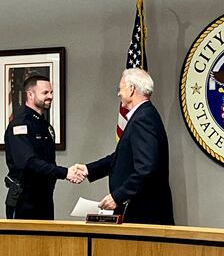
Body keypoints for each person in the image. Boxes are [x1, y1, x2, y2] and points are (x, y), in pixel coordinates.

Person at [74, 68, 174, 225]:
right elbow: (122, 156)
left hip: (144, 215)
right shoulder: (145, 115)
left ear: (131, 89)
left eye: (120, 88)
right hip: (142, 214)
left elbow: (146, 168)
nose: (118, 93)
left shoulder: (143, 119)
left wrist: (118, 196)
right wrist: (89, 169)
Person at [4, 73, 83, 219]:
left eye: (51, 92)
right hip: (25, 201)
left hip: (44, 199)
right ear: (30, 95)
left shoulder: (44, 125)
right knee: (25, 242)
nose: (50, 96)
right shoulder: (20, 124)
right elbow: (28, 162)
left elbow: (47, 161)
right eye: (45, 93)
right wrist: (65, 173)